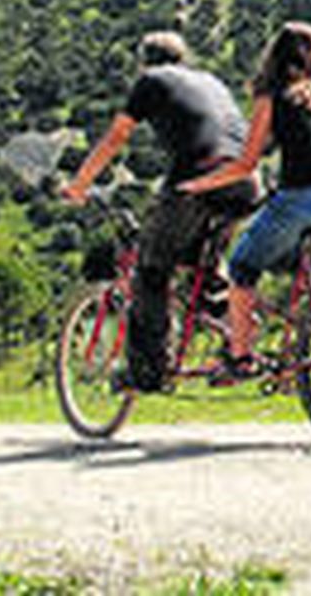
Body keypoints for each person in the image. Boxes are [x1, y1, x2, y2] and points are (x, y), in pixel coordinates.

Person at [61, 31, 259, 392]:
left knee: (152, 271)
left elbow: (116, 136)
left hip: (197, 178)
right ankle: (237, 341)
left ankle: (148, 372)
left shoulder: (151, 80)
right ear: (182, 58)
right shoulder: (210, 80)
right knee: (206, 266)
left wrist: (80, 184)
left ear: (144, 61)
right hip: (245, 182)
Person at [181, 22, 311, 383]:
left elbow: (247, 163)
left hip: (298, 200)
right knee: (308, 273)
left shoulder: (273, 96)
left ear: (274, 57)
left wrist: (201, 183)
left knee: (242, 266)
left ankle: (240, 356)